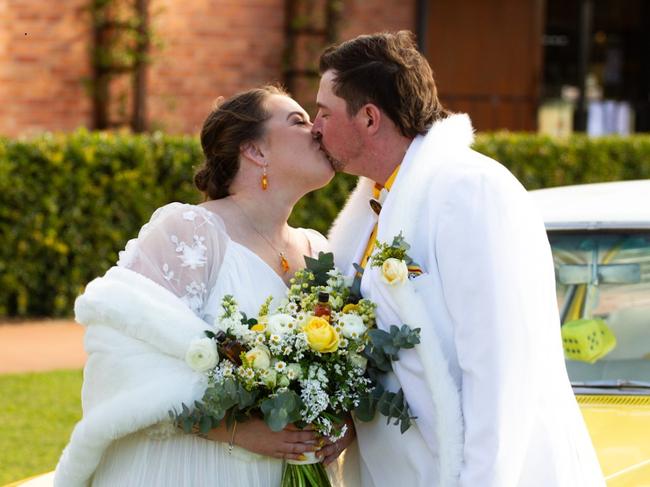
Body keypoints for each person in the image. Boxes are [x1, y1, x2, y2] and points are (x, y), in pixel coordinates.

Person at [317, 32, 605, 487]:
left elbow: (501, 366)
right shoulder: (375, 205)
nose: (315, 126)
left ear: (369, 118)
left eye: (324, 112)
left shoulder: (470, 190)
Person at [54, 85, 356, 487]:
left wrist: (343, 423)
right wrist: (237, 430)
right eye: (298, 121)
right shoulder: (191, 232)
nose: (317, 129)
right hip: (196, 468)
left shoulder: (318, 249)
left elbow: (351, 370)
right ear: (255, 151)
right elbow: (123, 358)